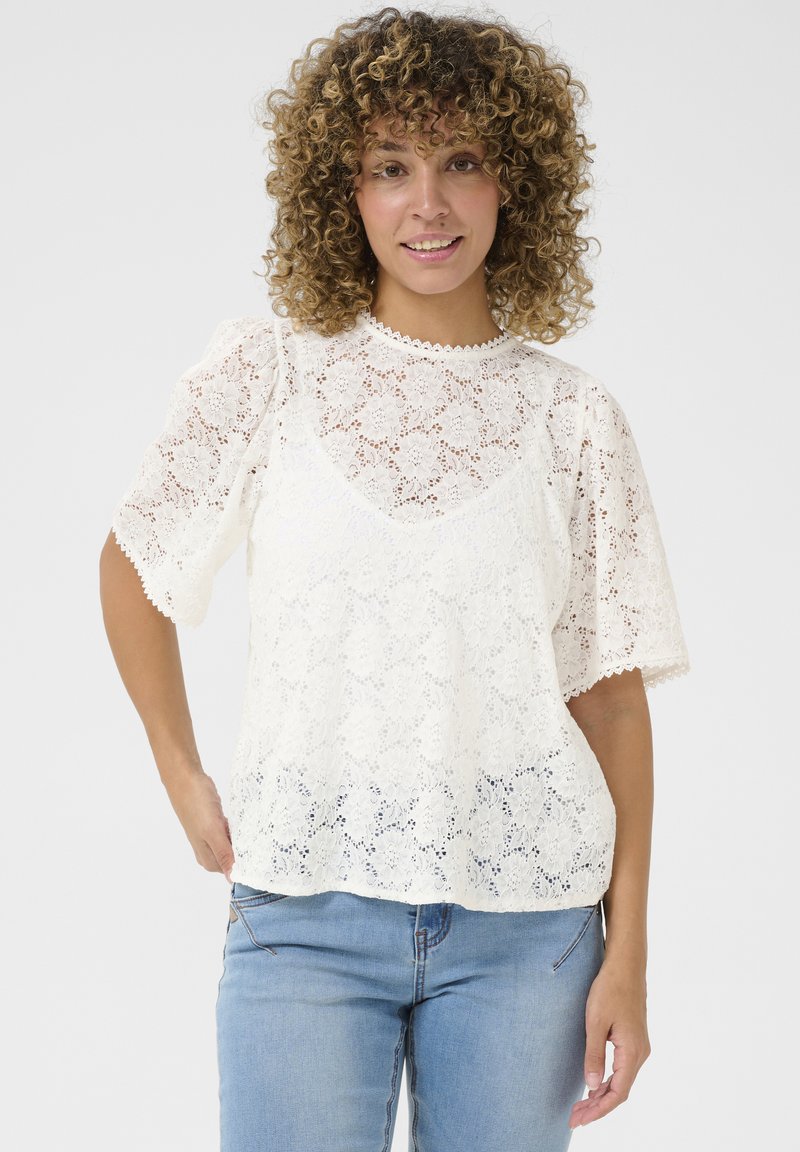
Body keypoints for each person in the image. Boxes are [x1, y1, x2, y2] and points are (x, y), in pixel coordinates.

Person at [99, 7, 691, 1150]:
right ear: (344, 192)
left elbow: (610, 700)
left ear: (514, 183)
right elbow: (134, 562)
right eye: (390, 167)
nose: (428, 204)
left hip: (529, 934)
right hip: (301, 918)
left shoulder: (572, 419)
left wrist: (628, 955)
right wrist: (179, 771)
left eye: (461, 161)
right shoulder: (269, 374)